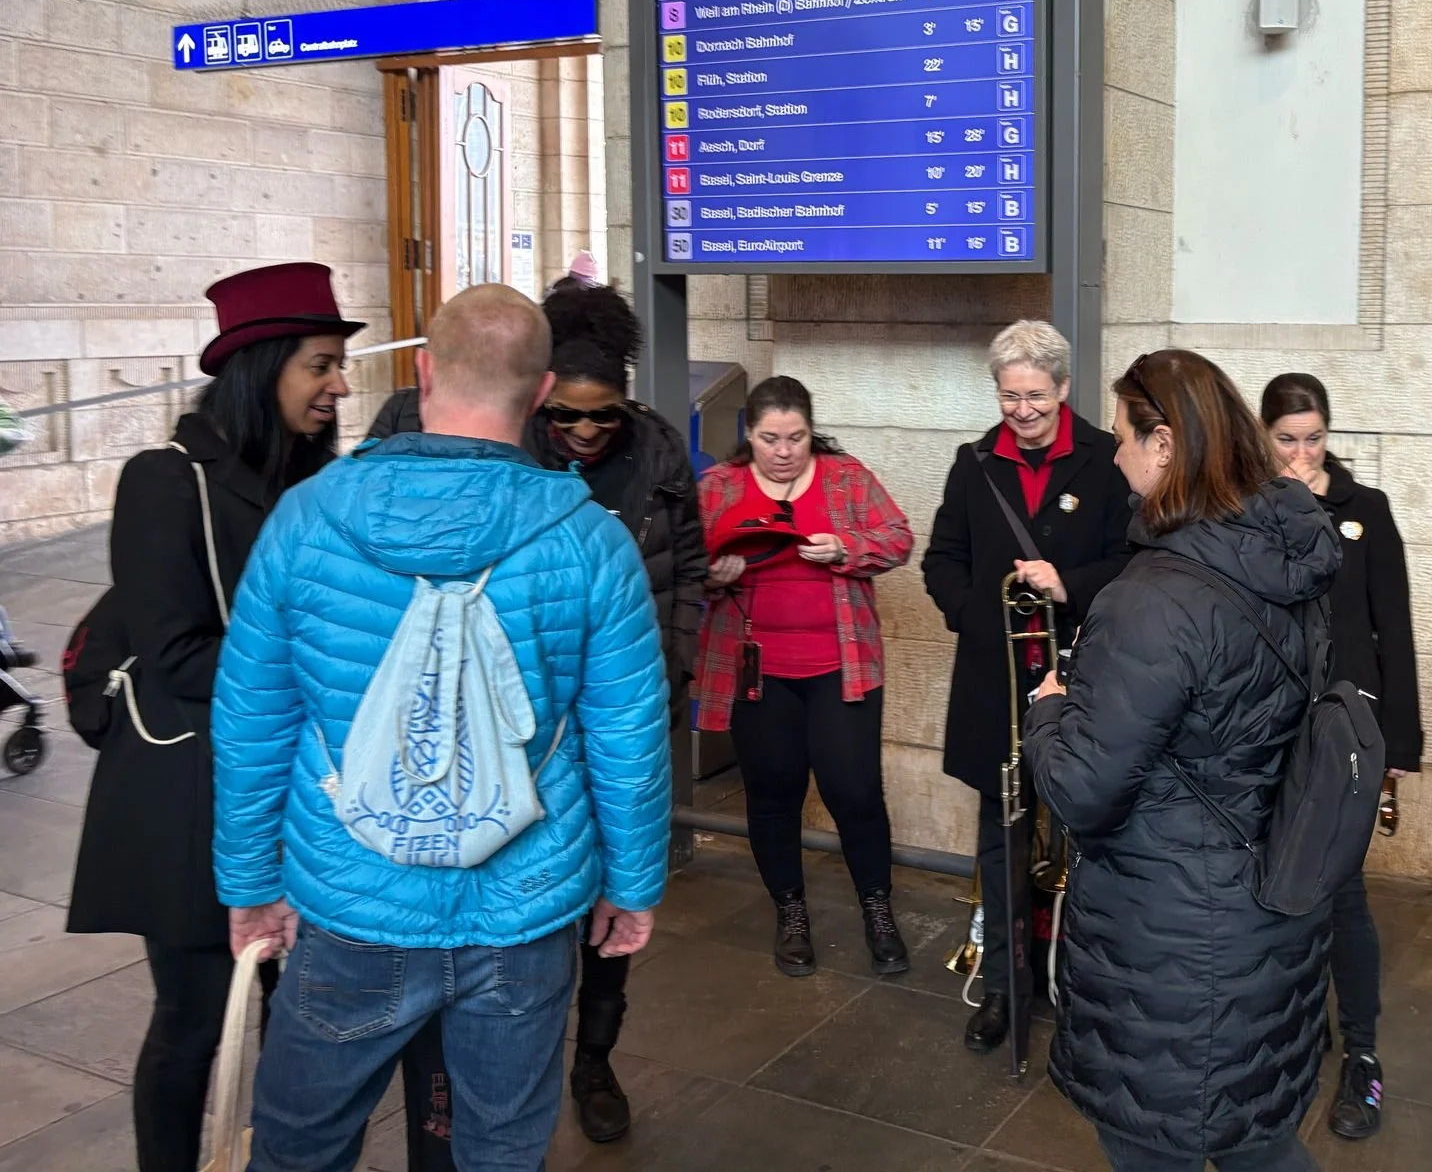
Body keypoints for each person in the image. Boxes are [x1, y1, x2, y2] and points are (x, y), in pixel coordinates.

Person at [211, 284, 672, 1169]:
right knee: (500, 1144)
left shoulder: (306, 519)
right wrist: (634, 883)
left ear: (423, 373)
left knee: (301, 1142)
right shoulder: (591, 542)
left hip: (350, 897)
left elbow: (255, 720)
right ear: (541, 393)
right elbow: (628, 741)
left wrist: (251, 882)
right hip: (525, 909)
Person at [371, 279, 708, 1149]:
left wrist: (665, 671)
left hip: (616, 715)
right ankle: (452, 1088)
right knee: (497, 912)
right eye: (572, 419)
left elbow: (691, 572)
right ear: (543, 396)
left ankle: (592, 1060)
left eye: (607, 419)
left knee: (610, 911)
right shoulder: (479, 437)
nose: (589, 435)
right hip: (493, 729)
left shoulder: (660, 451)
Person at [66, 262, 360, 1172]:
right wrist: (329, 661)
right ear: (261, 365)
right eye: (320, 364)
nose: (340, 384)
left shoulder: (316, 484)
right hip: (191, 793)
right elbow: (178, 654)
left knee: (288, 1010)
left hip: (289, 787)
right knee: (194, 1016)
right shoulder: (165, 480)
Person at [1024, 349, 1341, 1172]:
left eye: (1126, 433)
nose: (1115, 450)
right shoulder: (1287, 557)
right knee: (1257, 1139)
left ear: (1164, 444)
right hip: (1271, 905)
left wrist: (1049, 708)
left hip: (1169, 936)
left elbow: (1085, 791)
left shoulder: (1153, 597)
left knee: (1156, 1145)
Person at [922, 320, 1132, 1053]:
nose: (1022, 411)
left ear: (1064, 388)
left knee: (1090, 840)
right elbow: (940, 561)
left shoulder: (1108, 461)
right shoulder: (974, 462)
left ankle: (1083, 986)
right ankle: (1007, 988)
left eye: (1036, 396)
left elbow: (1133, 565)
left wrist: (1065, 584)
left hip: (1085, 683)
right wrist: (978, 615)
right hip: (997, 684)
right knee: (1003, 842)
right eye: (1010, 397)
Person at [696, 375, 915, 976]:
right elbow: (684, 562)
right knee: (772, 794)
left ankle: (877, 908)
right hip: (758, 671)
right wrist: (715, 575)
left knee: (855, 793)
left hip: (839, 666)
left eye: (796, 437)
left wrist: (845, 548)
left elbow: (898, 540)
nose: (785, 450)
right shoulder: (718, 486)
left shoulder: (846, 478)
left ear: (811, 432)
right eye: (770, 438)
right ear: (749, 434)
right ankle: (790, 913)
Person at [1260, 372, 1420, 1142]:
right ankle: (1296, 1029)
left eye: (1313, 438)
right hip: (1270, 723)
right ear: (1264, 439)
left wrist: (1400, 747)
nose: (1301, 453)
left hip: (1346, 733)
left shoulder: (1367, 511)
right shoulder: (1251, 510)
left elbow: (1394, 627)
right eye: (1286, 440)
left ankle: (1362, 1050)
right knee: (1278, 889)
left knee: (1344, 895)